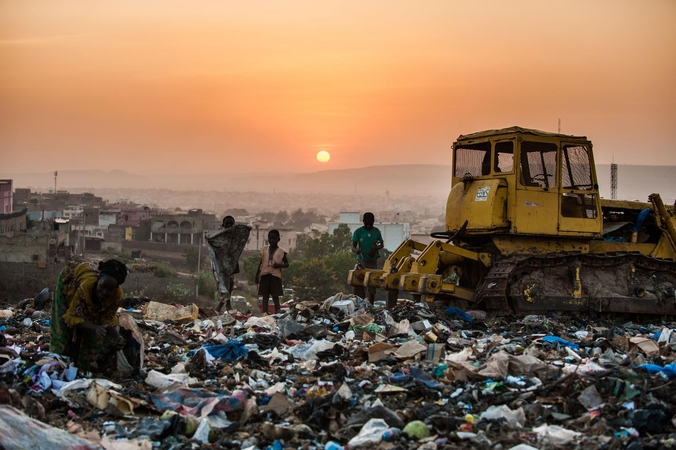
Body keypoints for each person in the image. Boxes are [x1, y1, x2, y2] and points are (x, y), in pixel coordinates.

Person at [50, 260, 128, 372]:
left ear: (115, 289)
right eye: (102, 287)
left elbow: (107, 319)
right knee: (62, 329)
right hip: (69, 284)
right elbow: (72, 318)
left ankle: (81, 368)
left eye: (109, 290)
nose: (104, 292)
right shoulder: (86, 286)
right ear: (98, 280)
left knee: (92, 335)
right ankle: (56, 365)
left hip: (88, 297)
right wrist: (95, 327)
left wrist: (118, 337)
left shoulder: (117, 296)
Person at [351, 212, 384, 303]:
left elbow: (381, 244)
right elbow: (353, 246)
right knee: (360, 281)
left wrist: (375, 248)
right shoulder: (358, 232)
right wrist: (356, 250)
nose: (369, 224)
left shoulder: (376, 231)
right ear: (363, 221)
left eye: (371, 222)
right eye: (367, 222)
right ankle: (360, 303)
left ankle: (370, 304)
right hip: (362, 260)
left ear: (373, 221)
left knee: (372, 283)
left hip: (373, 260)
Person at [255, 229, 289, 314]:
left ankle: (277, 312)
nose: (272, 240)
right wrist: (256, 275)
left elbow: (287, 264)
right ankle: (265, 313)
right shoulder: (264, 249)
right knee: (265, 296)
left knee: (275, 296)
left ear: (278, 239)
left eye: (274, 238)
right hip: (264, 274)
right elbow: (261, 263)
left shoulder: (282, 252)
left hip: (275, 275)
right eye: (270, 239)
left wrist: (278, 265)